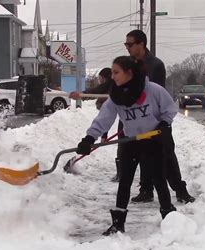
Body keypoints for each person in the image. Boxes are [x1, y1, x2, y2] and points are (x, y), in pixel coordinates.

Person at [75, 56, 177, 235]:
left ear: (129, 73)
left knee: (159, 179)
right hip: (131, 141)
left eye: (116, 72)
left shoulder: (152, 90)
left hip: (153, 140)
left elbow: (170, 108)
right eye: (112, 72)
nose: (112, 76)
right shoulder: (116, 96)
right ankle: (118, 224)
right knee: (125, 182)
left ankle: (169, 219)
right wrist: (89, 139)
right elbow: (103, 119)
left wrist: (164, 124)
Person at [124, 29, 195, 204]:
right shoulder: (129, 64)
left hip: (157, 119)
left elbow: (150, 91)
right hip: (138, 118)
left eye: (130, 44)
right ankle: (146, 190)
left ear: (141, 44)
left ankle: (180, 191)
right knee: (143, 156)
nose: (127, 47)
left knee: (166, 156)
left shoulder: (155, 65)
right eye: (126, 44)